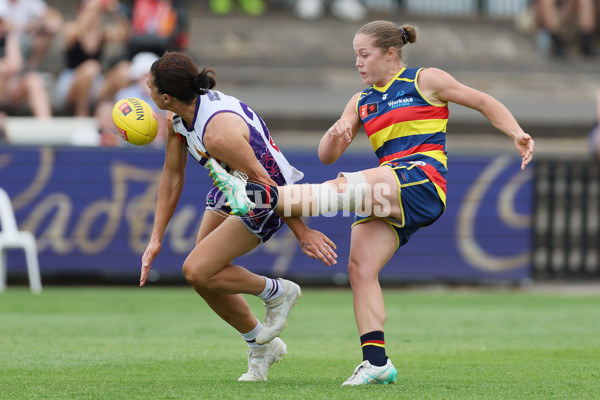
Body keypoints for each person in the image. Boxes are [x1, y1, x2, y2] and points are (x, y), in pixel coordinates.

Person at [207, 20, 535, 386]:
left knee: (341, 187)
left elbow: (482, 101)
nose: (358, 63)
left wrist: (517, 132)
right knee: (360, 269)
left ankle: (261, 195)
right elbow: (327, 154)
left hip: (420, 179)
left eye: (364, 55)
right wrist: (337, 133)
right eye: (355, 57)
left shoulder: (424, 80)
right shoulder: (361, 100)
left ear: (390, 53)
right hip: (390, 190)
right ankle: (376, 362)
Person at [140, 51, 338, 381]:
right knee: (205, 280)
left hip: (264, 195)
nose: (144, 90)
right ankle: (262, 347)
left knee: (197, 269)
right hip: (232, 184)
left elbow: (269, 182)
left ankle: (277, 292)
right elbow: (173, 176)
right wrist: (156, 238)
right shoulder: (176, 117)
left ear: (165, 96)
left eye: (148, 86)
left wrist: (302, 231)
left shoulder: (217, 134)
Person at [54, 0, 130, 116]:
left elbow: (127, 36)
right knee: (91, 67)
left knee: (124, 70)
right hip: (70, 82)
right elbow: (76, 32)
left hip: (95, 81)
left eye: (98, 11)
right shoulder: (70, 27)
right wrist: (91, 8)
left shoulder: (102, 33)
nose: (95, 14)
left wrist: (117, 11)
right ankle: (81, 113)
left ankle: (115, 115)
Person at [0, 2, 52, 119]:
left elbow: (15, 65)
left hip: (9, 90)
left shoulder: (9, 38)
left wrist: (10, 36)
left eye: (2, 22)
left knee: (34, 79)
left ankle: (47, 128)